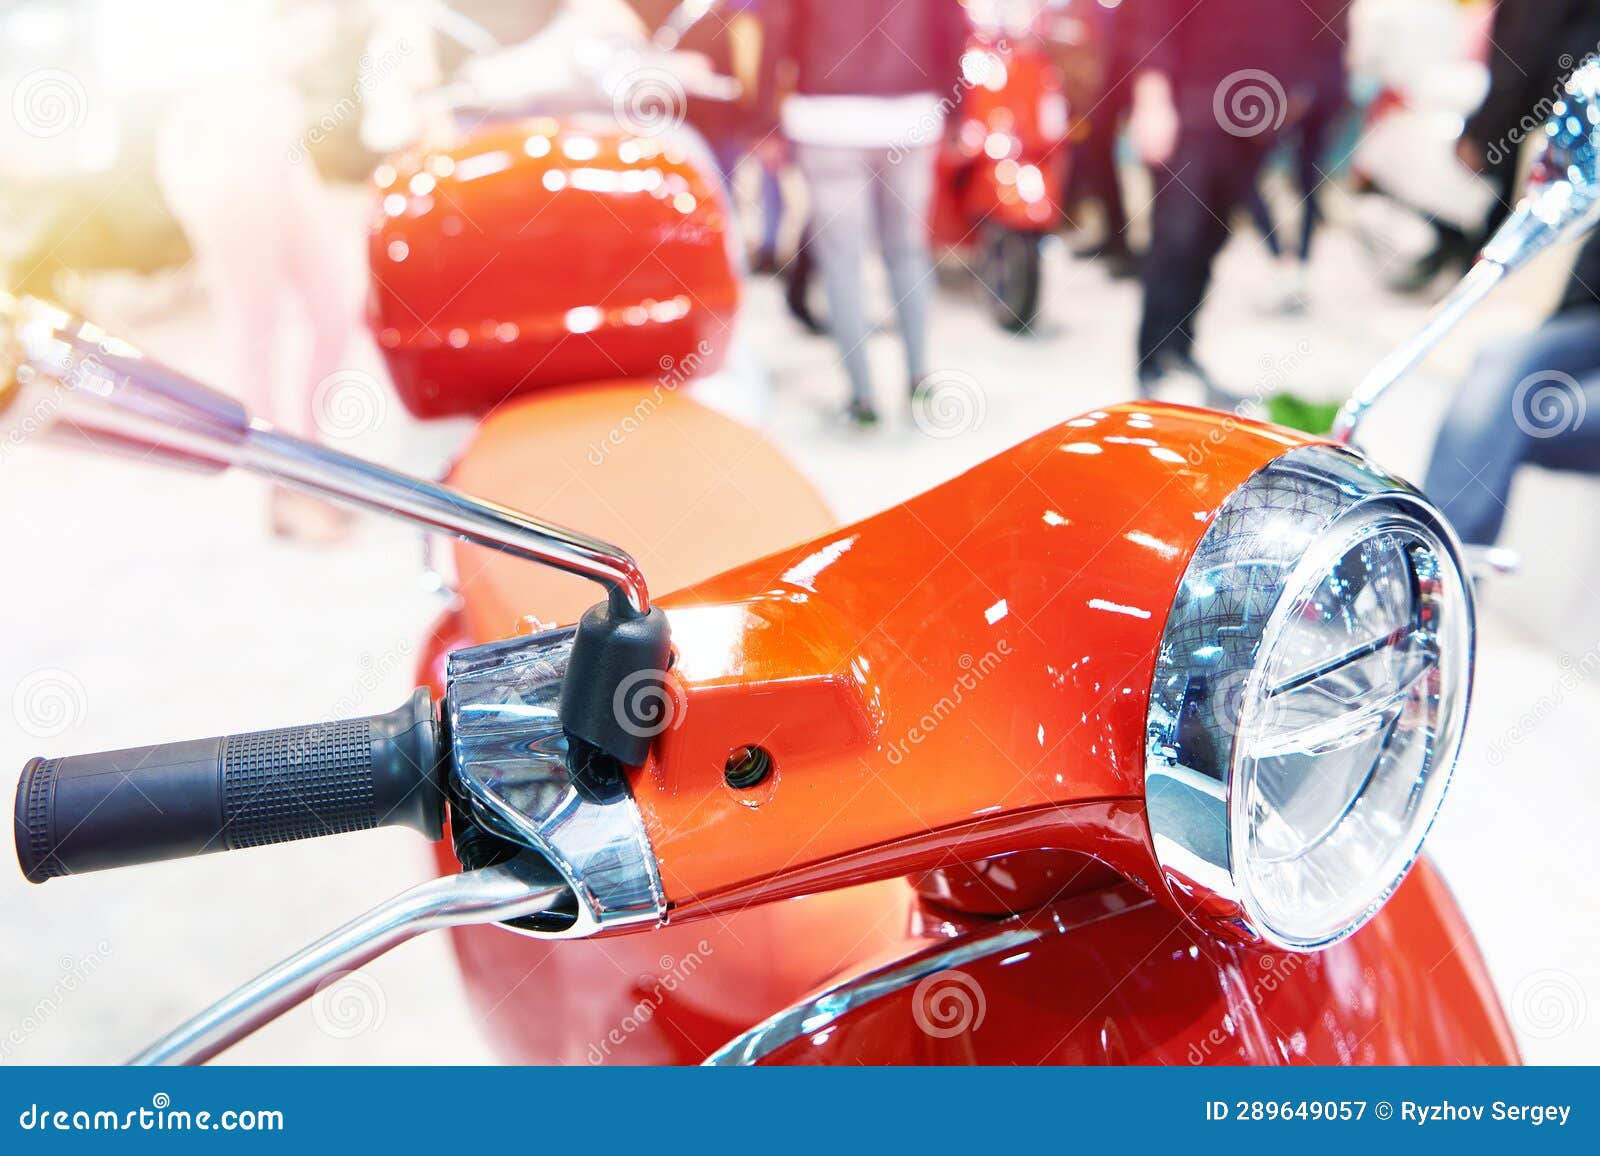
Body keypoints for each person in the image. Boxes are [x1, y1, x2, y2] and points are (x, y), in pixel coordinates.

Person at [756, 0, 968, 426]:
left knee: (842, 263)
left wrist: (764, 118)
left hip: (828, 120)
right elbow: (953, 22)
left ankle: (862, 397)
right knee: (907, 252)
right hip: (910, 114)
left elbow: (777, 27)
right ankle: (919, 376)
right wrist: (958, 108)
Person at [1128, 0, 1318, 401]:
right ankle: (1153, 359)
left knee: (1214, 235)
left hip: (1252, 119)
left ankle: (1180, 347)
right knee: (1178, 235)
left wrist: (1294, 89)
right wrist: (1152, 97)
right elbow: (1155, 15)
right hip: (1192, 107)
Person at [1244, 0, 1349, 312]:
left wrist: (1294, 91)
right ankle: (1293, 263)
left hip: (1293, 87)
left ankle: (1287, 262)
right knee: (1306, 179)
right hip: (1320, 86)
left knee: (1250, 176)